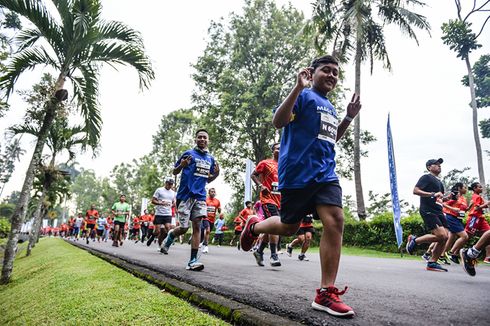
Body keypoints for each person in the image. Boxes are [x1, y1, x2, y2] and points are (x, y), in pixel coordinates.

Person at [240, 55, 361, 317]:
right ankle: (255, 225)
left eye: (335, 73)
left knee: (336, 219)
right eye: (325, 70)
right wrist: (298, 87)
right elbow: (278, 121)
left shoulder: (330, 106)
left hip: (326, 174)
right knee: (289, 226)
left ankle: (325, 292)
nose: (331, 75)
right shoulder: (304, 96)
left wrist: (348, 119)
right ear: (312, 72)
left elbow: (331, 138)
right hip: (297, 174)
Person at [161, 129, 219, 271]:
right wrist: (182, 165)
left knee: (198, 226)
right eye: (199, 137)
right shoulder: (189, 154)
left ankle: (192, 260)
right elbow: (175, 171)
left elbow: (207, 179)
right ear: (195, 139)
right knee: (184, 228)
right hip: (185, 195)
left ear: (208, 140)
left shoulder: (210, 159)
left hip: (200, 196)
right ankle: (171, 235)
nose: (202, 139)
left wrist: (216, 175)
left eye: (205, 137)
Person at [406, 158, 449, 272]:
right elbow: (415, 191)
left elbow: (438, 198)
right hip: (428, 210)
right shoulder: (426, 177)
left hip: (439, 211)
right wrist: (433, 194)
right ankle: (415, 241)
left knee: (445, 237)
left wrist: (446, 198)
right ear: (429, 167)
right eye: (436, 164)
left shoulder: (439, 182)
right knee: (442, 236)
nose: (439, 166)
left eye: (440, 165)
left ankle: (432, 262)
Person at [250, 143, 282, 267]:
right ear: (272, 151)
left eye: (282, 148)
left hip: (281, 201)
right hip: (268, 199)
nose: (280, 150)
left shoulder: (285, 165)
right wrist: (260, 185)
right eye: (277, 148)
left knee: (272, 227)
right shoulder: (265, 163)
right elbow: (253, 175)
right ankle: (274, 255)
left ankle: (259, 251)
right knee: (276, 224)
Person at [441, 182, 469, 264]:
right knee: (464, 236)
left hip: (458, 219)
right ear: (459, 188)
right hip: (451, 218)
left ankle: (441, 255)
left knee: (451, 238)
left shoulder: (463, 198)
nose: (466, 189)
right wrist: (452, 209)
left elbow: (462, 209)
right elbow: (443, 204)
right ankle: (451, 252)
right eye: (464, 187)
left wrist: (469, 207)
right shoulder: (454, 195)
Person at [149, 178, 176, 251]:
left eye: (171, 184)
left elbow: (174, 202)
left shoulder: (173, 193)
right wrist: (161, 203)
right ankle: (152, 237)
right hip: (159, 213)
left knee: (168, 229)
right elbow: (153, 200)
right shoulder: (159, 190)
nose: (170, 185)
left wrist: (173, 204)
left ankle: (164, 245)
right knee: (157, 231)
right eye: (169, 184)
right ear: (165, 183)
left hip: (168, 213)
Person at [201, 188, 221, 253]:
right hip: (205, 218)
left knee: (208, 232)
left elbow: (219, 210)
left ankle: (204, 242)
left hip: (212, 219)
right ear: (209, 193)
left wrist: (219, 209)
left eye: (214, 192)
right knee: (207, 231)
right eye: (211, 192)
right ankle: (206, 246)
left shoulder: (217, 201)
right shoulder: (205, 200)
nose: (213, 193)